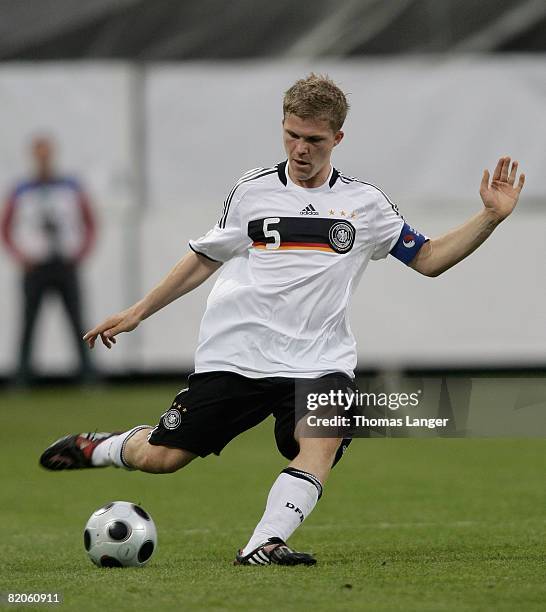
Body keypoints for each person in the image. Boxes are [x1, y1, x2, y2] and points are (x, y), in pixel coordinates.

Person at [39, 74, 525, 566]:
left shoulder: (365, 205)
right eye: (291, 135)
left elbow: (429, 259)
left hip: (319, 360)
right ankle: (102, 447)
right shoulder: (252, 192)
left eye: (313, 139)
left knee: (324, 434)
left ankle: (264, 543)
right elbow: (204, 258)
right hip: (239, 355)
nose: (300, 149)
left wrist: (489, 217)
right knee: (162, 458)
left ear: (337, 139)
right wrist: (136, 312)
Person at [1, 135, 96, 385]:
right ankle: (22, 378)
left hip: (64, 264)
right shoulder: (21, 189)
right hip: (35, 266)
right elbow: (6, 227)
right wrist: (21, 256)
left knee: (77, 320)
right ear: (34, 156)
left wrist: (79, 253)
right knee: (29, 322)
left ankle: (88, 375)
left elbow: (89, 222)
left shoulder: (70, 187)